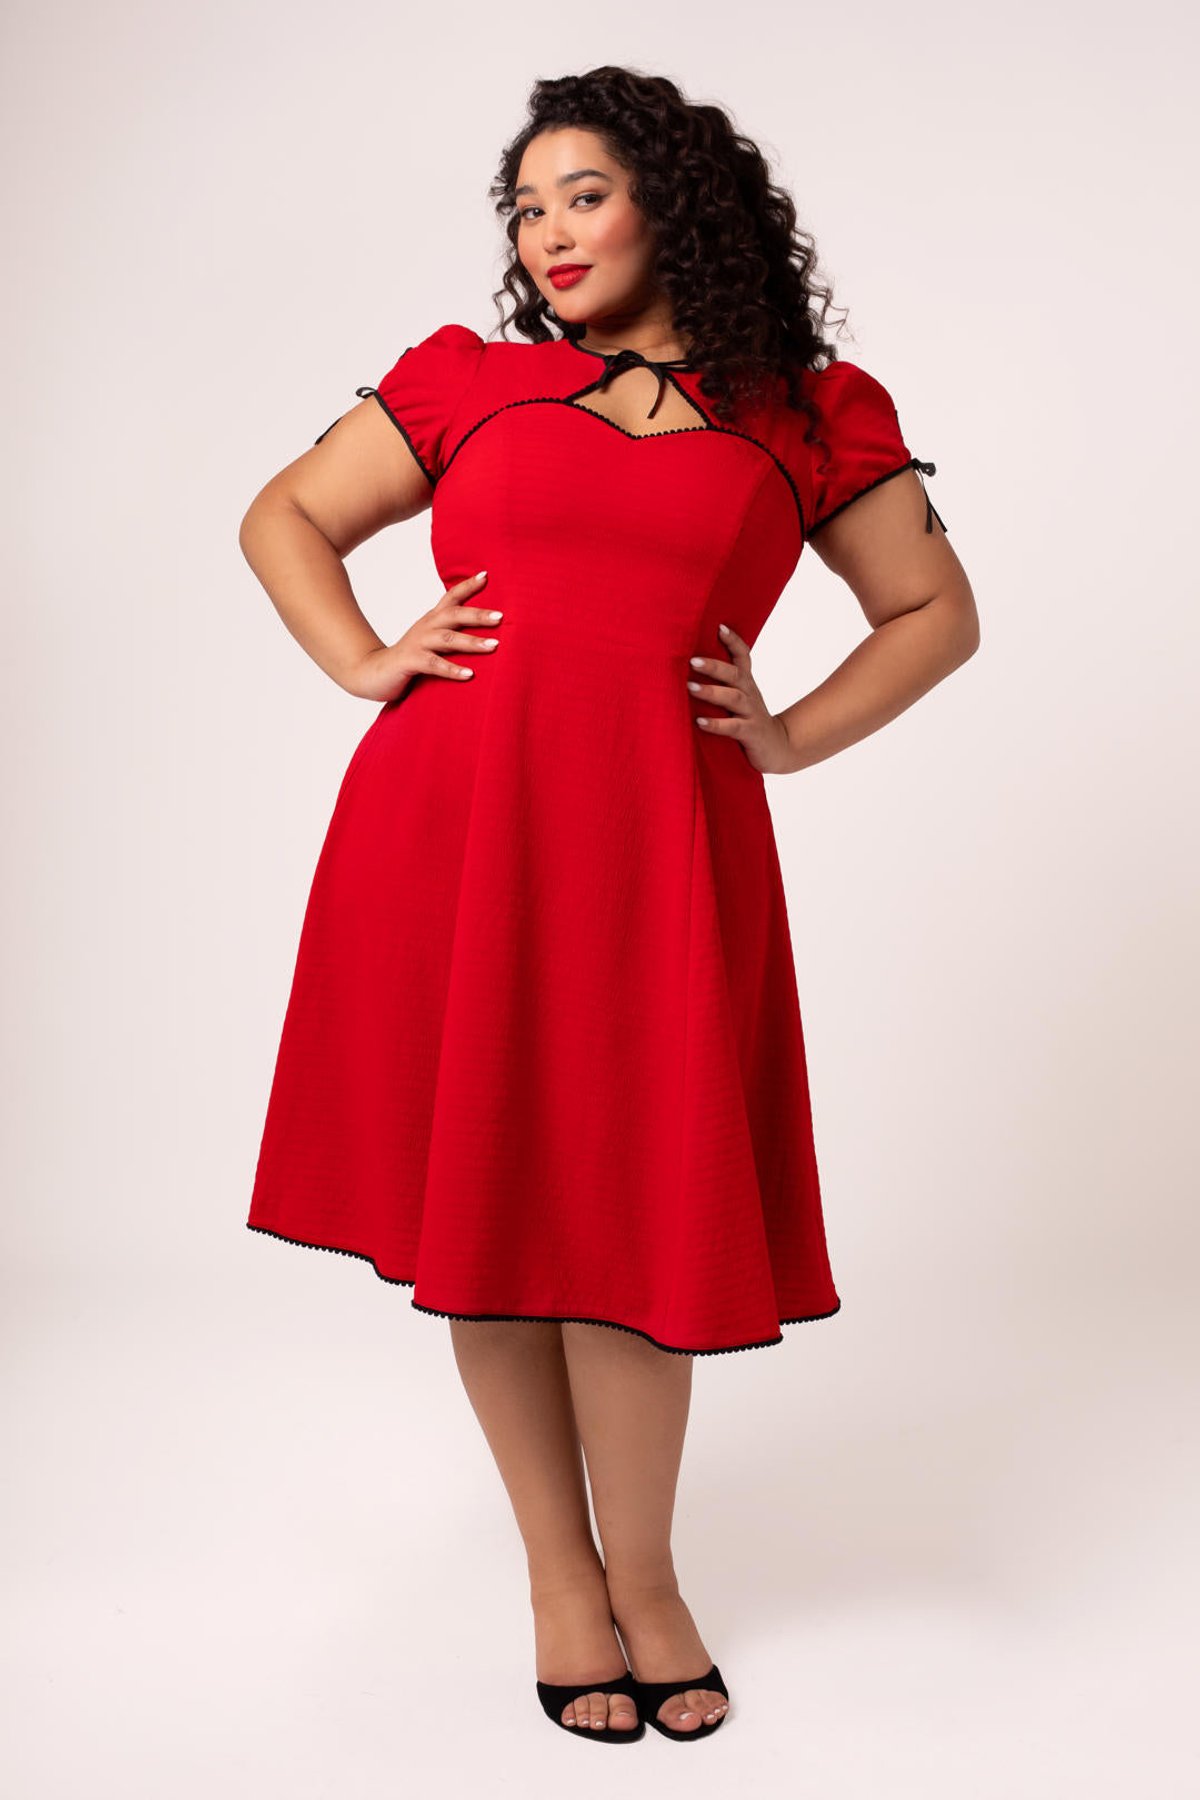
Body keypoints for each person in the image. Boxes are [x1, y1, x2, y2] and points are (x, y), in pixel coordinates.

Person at [239, 66, 979, 1744]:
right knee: (490, 1200)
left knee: (636, 1205)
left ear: (677, 202)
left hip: (663, 845)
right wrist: (364, 657)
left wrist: (788, 734)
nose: (548, 234)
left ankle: (645, 1575)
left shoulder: (809, 410)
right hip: (452, 828)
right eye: (526, 208)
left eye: (584, 194)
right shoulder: (468, 379)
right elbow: (282, 515)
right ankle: (560, 1581)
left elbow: (934, 609)